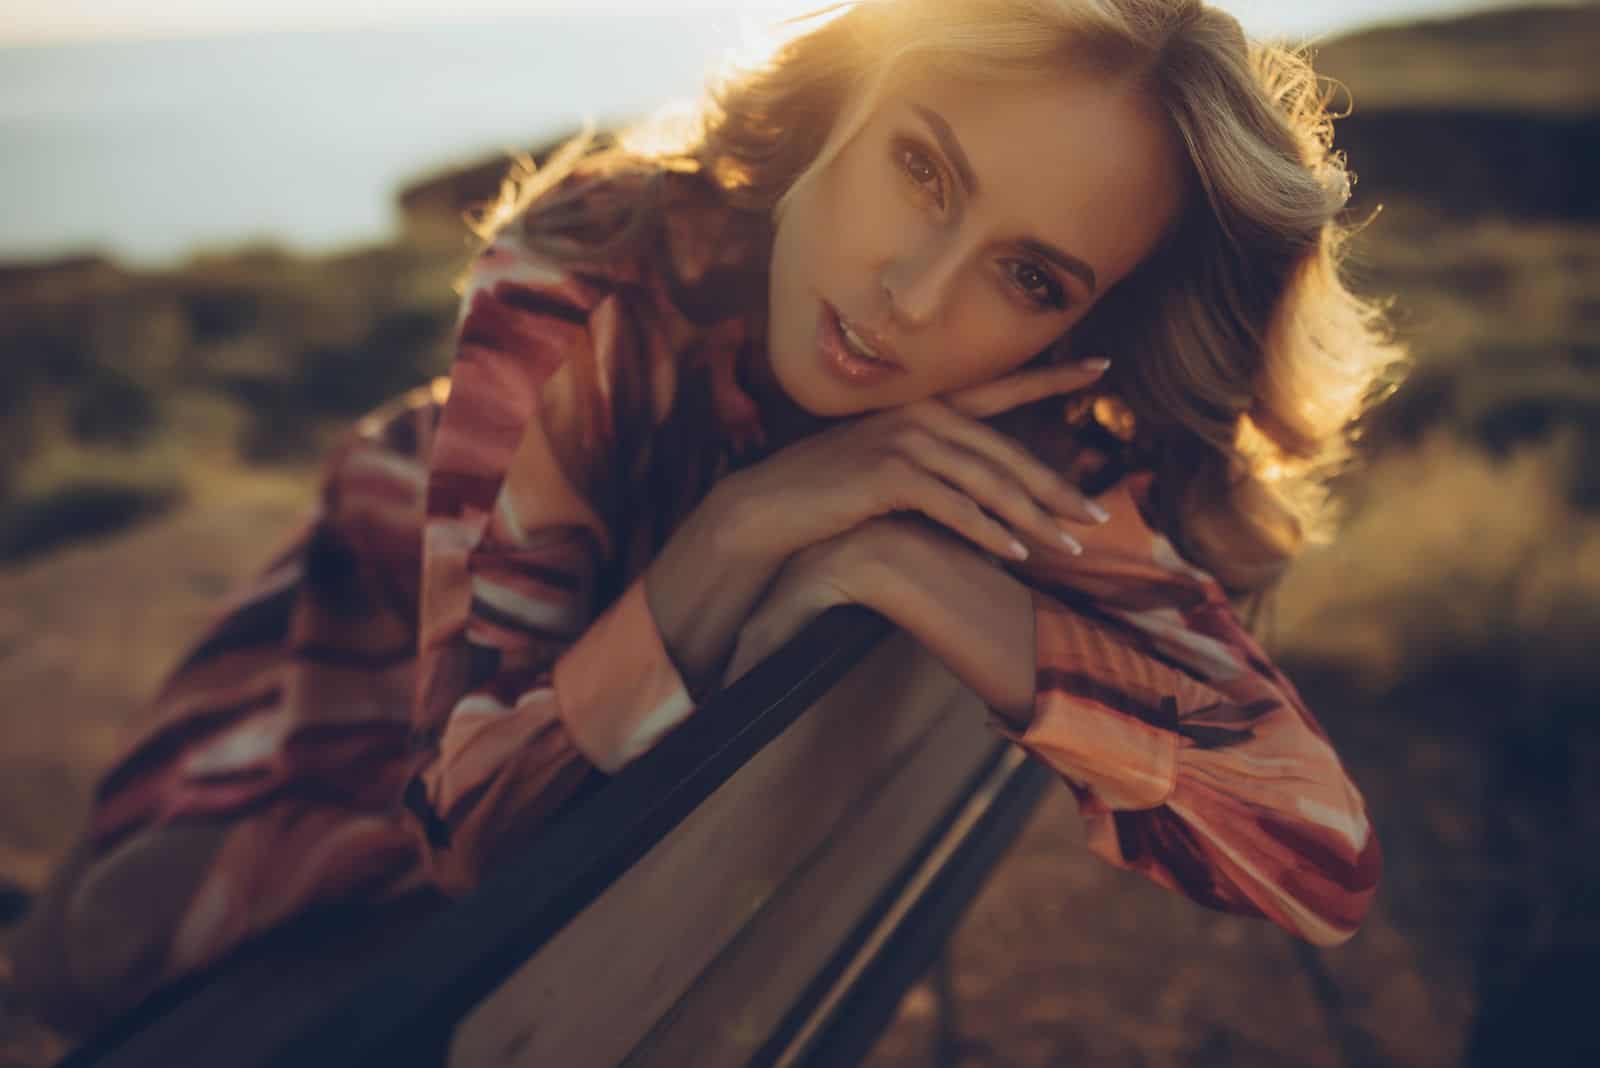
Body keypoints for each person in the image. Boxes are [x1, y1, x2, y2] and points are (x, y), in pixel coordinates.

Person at [12, 0, 1400, 1036]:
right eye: (922, 170)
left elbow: (1317, 855)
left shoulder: (1026, 447)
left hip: (444, 731)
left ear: (1094, 326)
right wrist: (743, 532)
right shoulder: (595, 266)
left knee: (102, 954)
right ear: (846, 96)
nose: (914, 296)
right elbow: (475, 807)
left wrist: (909, 572)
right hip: (371, 612)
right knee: (93, 940)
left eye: (1030, 276)